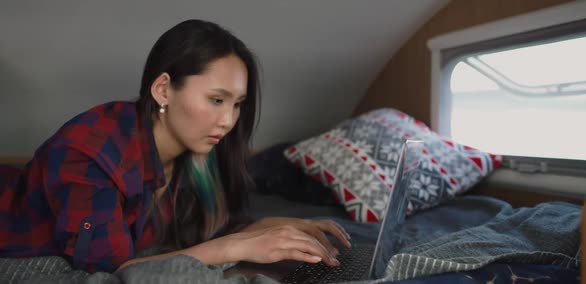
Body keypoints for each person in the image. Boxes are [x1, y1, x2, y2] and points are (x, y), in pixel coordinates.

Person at [0, 19, 351, 273]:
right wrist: (235, 246)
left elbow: (209, 228)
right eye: (216, 100)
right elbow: (109, 270)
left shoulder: (198, 150)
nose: (229, 121)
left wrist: (267, 228)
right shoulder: (90, 155)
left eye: (237, 103)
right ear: (163, 90)